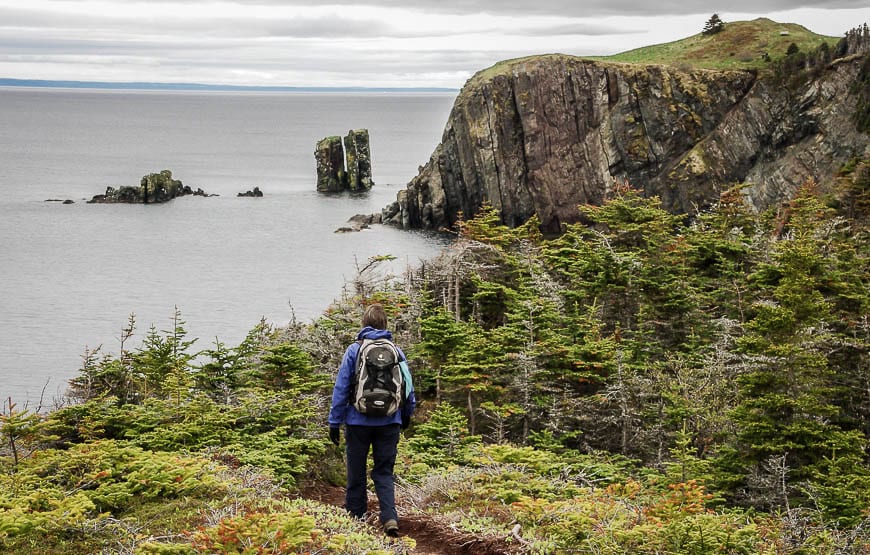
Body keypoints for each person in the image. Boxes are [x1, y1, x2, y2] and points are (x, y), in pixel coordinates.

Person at [328, 303, 416, 537]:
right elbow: (408, 387)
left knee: (355, 470)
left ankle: (355, 518)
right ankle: (389, 518)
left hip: (357, 422)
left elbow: (341, 388)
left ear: (364, 324)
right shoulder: (397, 351)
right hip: (390, 421)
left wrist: (334, 422)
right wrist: (406, 415)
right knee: (384, 471)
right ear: (385, 324)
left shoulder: (354, 350)